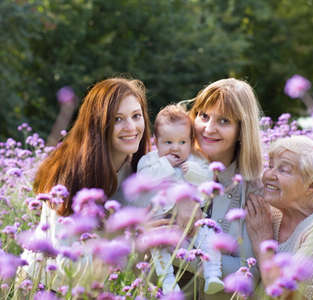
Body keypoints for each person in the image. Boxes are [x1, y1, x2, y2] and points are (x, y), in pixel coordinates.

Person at [18, 77, 151, 289]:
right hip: (45, 286)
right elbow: (67, 265)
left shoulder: (140, 168)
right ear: (98, 124)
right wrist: (136, 243)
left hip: (97, 288)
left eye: (136, 116)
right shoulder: (69, 175)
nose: (131, 127)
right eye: (118, 119)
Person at [175, 78, 264, 300]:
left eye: (224, 121)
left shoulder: (254, 189)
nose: (208, 128)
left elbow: (247, 273)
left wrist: (175, 251)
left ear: (242, 130)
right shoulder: (171, 167)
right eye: (203, 116)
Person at [246, 135, 313, 299]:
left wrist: (263, 242)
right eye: (270, 166)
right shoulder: (275, 210)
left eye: (284, 170)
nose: (268, 175)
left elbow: (284, 295)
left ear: (311, 185)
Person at [137, 104, 224, 294]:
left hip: (194, 220)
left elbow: (209, 180)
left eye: (182, 142)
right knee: (158, 250)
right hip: (162, 220)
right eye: (168, 142)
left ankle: (212, 274)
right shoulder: (150, 161)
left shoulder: (195, 160)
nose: (175, 148)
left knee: (209, 237)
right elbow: (144, 180)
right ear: (156, 142)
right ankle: (169, 285)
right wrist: (165, 165)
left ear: (190, 142)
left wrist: (193, 172)